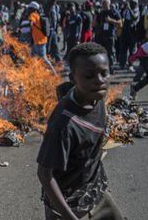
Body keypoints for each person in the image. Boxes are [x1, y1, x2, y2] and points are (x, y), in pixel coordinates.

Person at [37, 42, 124, 220]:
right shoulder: (64, 125)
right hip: (69, 205)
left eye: (104, 73)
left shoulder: (95, 96)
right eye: (89, 75)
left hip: (96, 192)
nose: (99, 80)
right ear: (73, 78)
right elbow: (45, 174)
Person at [94, 0, 122, 73]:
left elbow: (120, 23)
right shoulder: (101, 12)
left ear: (109, 4)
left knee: (110, 53)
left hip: (110, 35)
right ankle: (102, 67)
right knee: (101, 52)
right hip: (101, 35)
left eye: (105, 4)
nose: (103, 5)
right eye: (102, 4)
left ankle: (111, 68)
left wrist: (111, 20)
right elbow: (95, 24)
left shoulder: (113, 12)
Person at [28, 1, 56, 74]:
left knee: (44, 59)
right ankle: (34, 72)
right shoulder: (38, 15)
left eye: (29, 8)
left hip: (39, 41)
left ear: (33, 9)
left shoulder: (33, 14)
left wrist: (27, 26)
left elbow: (31, 22)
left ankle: (54, 73)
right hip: (38, 41)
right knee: (32, 57)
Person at [119, 0, 140, 71]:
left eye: (132, 3)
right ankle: (122, 64)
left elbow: (134, 17)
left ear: (135, 4)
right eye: (130, 2)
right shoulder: (127, 10)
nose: (130, 4)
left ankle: (130, 64)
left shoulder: (136, 11)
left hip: (132, 33)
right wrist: (123, 8)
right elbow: (121, 15)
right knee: (123, 48)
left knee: (132, 50)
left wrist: (129, 9)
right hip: (125, 31)